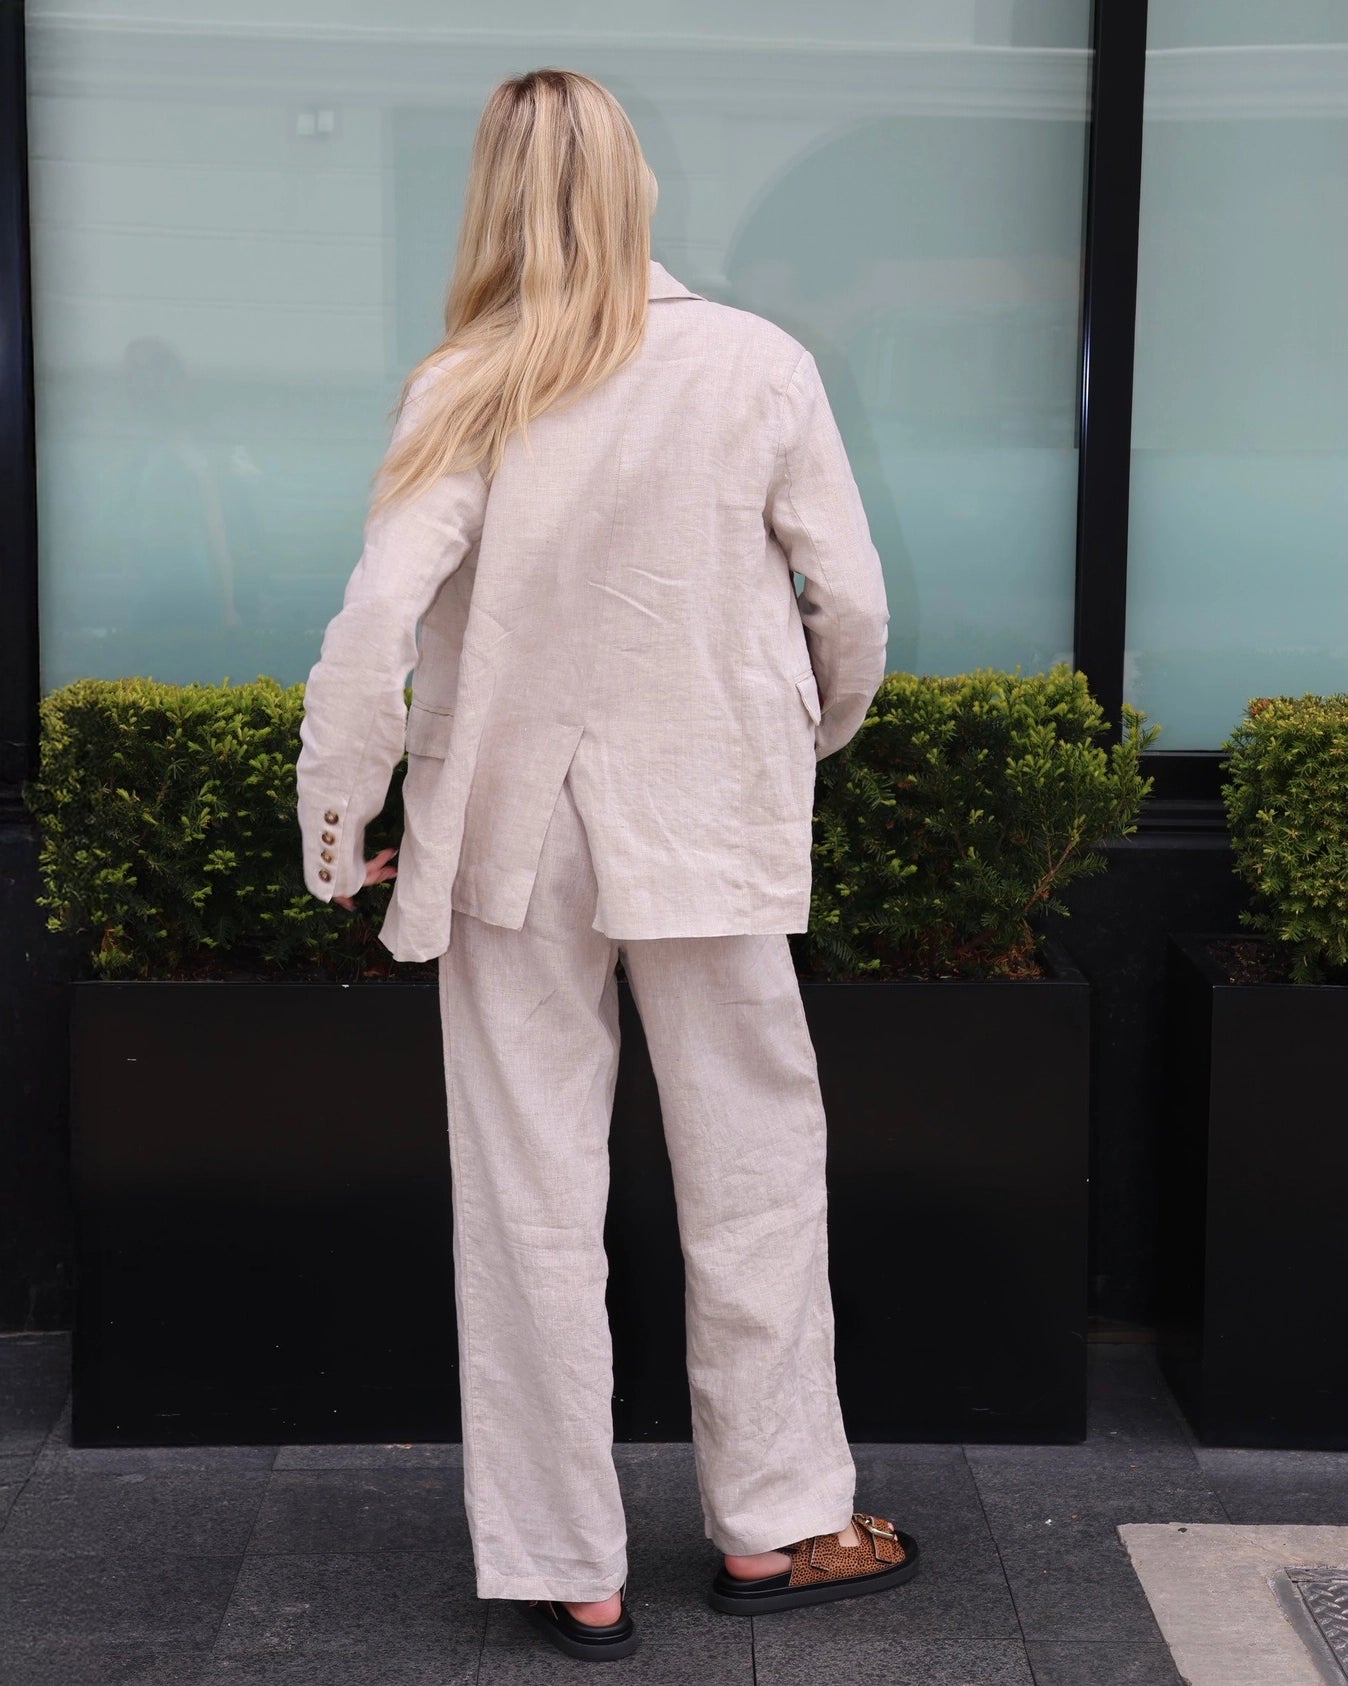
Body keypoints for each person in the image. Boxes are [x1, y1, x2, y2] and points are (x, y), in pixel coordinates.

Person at [294, 66, 917, 1663]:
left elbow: (376, 622)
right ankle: (774, 1530)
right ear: (635, 184)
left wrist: (338, 815)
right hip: (706, 817)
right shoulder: (759, 365)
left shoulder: (467, 379)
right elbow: (851, 608)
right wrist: (809, 738)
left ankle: (574, 1567)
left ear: (493, 196)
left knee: (527, 1192)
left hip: (509, 830)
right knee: (759, 1168)